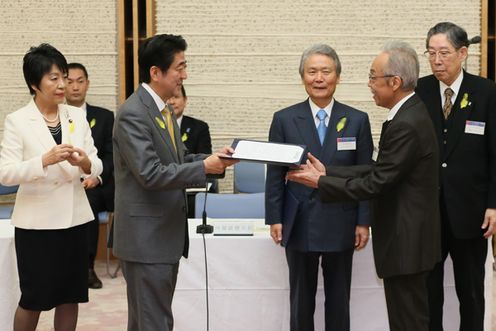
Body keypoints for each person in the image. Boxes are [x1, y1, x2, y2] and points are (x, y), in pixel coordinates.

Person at [287, 41, 441, 331]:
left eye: (373, 77)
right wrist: (329, 169)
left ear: (394, 82)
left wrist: (320, 181)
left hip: (406, 241)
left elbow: (377, 182)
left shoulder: (407, 123)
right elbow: (380, 169)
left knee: (409, 321)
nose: (369, 84)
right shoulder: (408, 114)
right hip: (408, 240)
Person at [112, 34, 236, 331]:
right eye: (179, 67)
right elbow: (151, 173)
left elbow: (178, 161)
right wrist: (203, 167)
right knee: (154, 321)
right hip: (146, 240)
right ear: (155, 72)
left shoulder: (160, 109)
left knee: (147, 320)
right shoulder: (133, 114)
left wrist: (212, 161)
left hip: (161, 236)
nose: (185, 74)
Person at [265, 44, 373, 331]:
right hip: (299, 221)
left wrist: (364, 221)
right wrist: (275, 218)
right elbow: (275, 174)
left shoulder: (357, 120)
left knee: (339, 299)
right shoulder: (284, 119)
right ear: (302, 77)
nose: (319, 78)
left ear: (338, 76)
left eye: (326, 71)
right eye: (312, 71)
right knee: (301, 299)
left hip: (342, 218)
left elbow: (366, 176)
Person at [0, 44, 102, 331]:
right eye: (54, 78)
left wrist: (85, 164)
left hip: (75, 220)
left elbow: (96, 161)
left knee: (70, 297)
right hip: (37, 227)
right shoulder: (17, 121)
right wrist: (43, 161)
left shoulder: (76, 115)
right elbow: (5, 173)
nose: (63, 85)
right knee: (33, 299)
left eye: (64, 77)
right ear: (34, 84)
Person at [415, 22, 496, 331]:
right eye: (431, 53)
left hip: (472, 213)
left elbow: (494, 155)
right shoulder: (419, 91)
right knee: (429, 295)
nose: (437, 60)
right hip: (428, 215)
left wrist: (494, 204)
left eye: (444, 53)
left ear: (462, 53)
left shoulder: (486, 92)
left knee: (471, 294)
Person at [65, 62, 115, 289]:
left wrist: (96, 176)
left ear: (87, 84)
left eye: (80, 81)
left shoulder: (104, 117)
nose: (75, 87)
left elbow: (112, 156)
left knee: (89, 200)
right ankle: (61, 266)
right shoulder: (54, 116)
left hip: (98, 185)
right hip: (64, 183)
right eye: (69, 81)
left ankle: (87, 268)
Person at [167, 85, 212, 154]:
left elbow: (205, 160)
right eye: (167, 97)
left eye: (176, 97)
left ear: (185, 100)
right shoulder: (152, 124)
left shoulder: (200, 127)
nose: (172, 102)